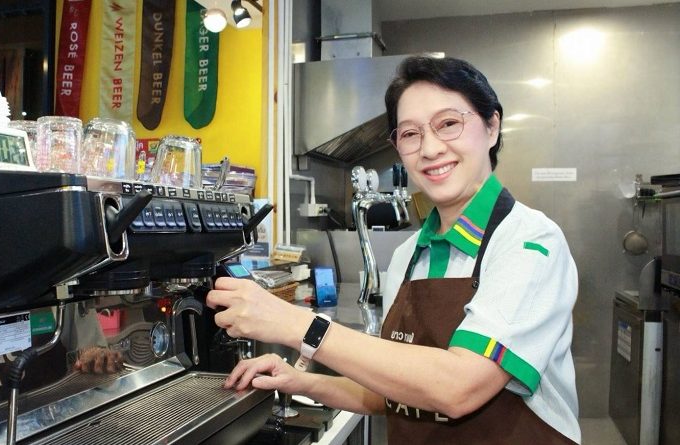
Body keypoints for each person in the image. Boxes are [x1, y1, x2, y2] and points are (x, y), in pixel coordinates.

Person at [206, 55, 580, 444]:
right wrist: (301, 381)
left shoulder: (529, 242)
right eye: (410, 133)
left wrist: (297, 324)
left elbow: (459, 386)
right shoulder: (408, 256)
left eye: (448, 124)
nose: (430, 149)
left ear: (491, 126)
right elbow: (392, 392)